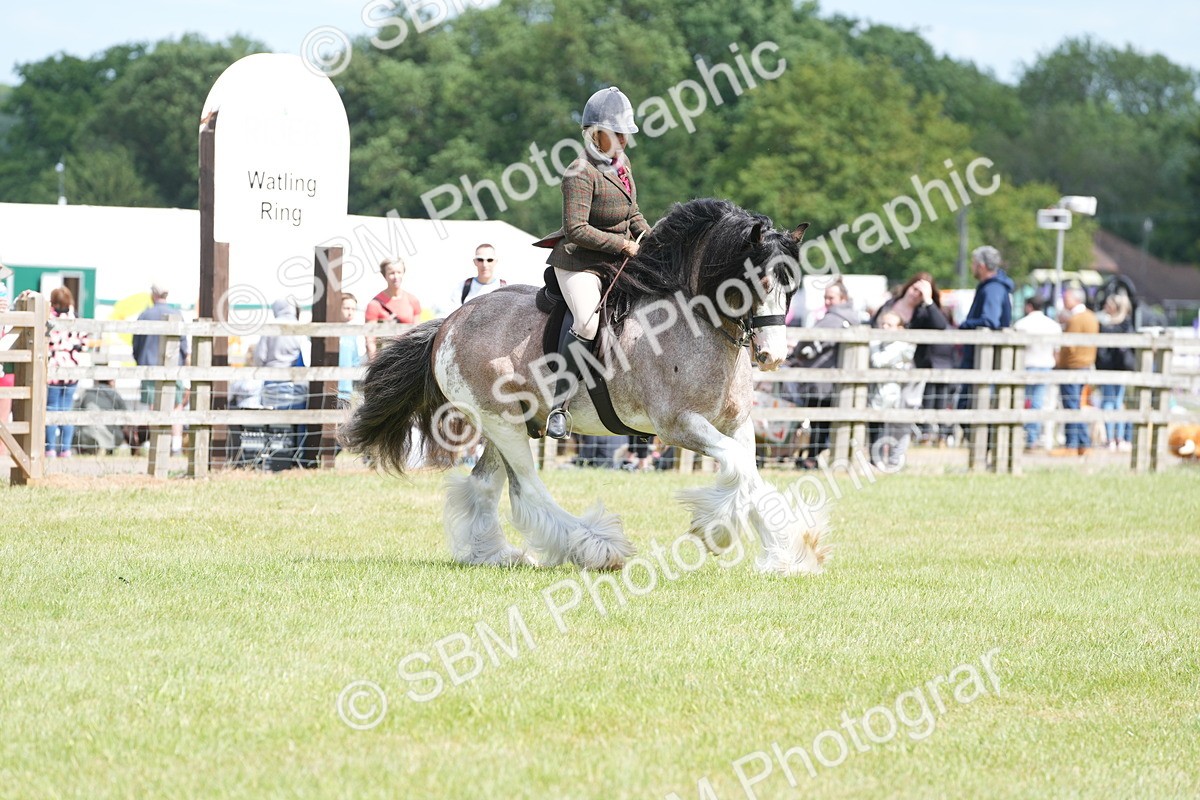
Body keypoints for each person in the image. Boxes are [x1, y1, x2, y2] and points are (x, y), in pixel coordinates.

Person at [533, 86, 652, 440]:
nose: (623, 141)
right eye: (616, 133)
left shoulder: (622, 165)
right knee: (586, 323)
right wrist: (623, 245)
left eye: (625, 134)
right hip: (578, 261)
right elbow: (577, 229)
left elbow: (632, 213)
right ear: (595, 133)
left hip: (615, 260)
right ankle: (560, 406)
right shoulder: (579, 171)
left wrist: (651, 237)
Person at [785, 279, 860, 468]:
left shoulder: (834, 318)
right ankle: (812, 456)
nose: (827, 301)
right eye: (825, 297)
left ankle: (811, 458)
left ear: (843, 298)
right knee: (821, 421)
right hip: (830, 378)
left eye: (831, 298)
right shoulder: (850, 316)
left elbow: (809, 341)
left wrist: (795, 353)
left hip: (822, 380)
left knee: (819, 421)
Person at [873, 272, 954, 444]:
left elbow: (941, 325)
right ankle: (876, 450)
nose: (915, 293)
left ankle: (896, 452)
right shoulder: (891, 304)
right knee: (878, 408)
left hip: (909, 369)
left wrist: (928, 300)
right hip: (882, 365)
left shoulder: (923, 312)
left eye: (921, 292)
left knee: (903, 413)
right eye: (914, 288)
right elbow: (873, 325)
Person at [132, 282, 190, 454]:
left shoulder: (145, 315)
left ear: (153, 294)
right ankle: (176, 445)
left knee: (153, 405)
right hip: (174, 367)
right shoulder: (177, 314)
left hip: (150, 366)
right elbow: (184, 345)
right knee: (176, 405)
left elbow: (136, 343)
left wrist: (139, 360)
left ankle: (157, 444)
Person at [956, 246, 1014, 410]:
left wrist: (964, 325)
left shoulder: (992, 288)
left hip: (983, 358)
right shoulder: (991, 287)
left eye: (973, 263)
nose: (971, 267)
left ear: (981, 266)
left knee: (972, 404)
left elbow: (990, 320)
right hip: (980, 357)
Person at [868, 311, 922, 469]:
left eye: (889, 325)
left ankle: (891, 461)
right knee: (876, 427)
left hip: (893, 395)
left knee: (894, 429)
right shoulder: (882, 344)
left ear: (900, 328)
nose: (884, 327)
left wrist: (873, 345)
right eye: (882, 324)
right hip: (879, 393)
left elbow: (878, 361)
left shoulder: (899, 346)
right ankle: (876, 461)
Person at [1053, 286, 1099, 456]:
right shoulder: (1092, 317)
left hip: (1071, 366)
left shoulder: (1075, 319)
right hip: (1086, 364)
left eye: (1067, 298)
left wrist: (1058, 362)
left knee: (1071, 406)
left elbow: (1068, 346)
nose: (1064, 301)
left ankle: (1072, 444)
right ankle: (1082, 443)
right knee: (1078, 404)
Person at [1012, 295, 1061, 449]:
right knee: (1038, 402)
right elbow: (1057, 350)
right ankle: (1033, 436)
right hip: (1045, 365)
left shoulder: (1021, 324)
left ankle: (1028, 435)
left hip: (1026, 365)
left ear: (1029, 306)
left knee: (1024, 401)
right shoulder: (1053, 325)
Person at [46, 286, 87, 458]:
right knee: (66, 408)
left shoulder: (48, 318)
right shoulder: (75, 318)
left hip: (54, 366)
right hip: (71, 368)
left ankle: (50, 449)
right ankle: (66, 449)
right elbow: (84, 342)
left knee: (51, 408)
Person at [1096, 293, 1135, 451]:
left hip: (1114, 368)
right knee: (1114, 402)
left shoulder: (1114, 324)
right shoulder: (1123, 324)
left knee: (1112, 402)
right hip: (1114, 368)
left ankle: (1114, 437)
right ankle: (1115, 437)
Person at [364, 258, 422, 361]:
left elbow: (418, 334)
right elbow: (370, 339)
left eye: (399, 272)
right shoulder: (374, 305)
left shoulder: (413, 301)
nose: (396, 277)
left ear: (403, 273)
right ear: (384, 275)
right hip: (384, 357)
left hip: (408, 357)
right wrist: (374, 363)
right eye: (391, 273)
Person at [337, 292, 363, 405]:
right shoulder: (329, 331)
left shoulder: (354, 334)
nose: (350, 312)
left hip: (346, 391)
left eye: (353, 309)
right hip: (329, 389)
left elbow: (356, 361)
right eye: (346, 308)